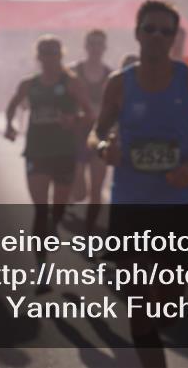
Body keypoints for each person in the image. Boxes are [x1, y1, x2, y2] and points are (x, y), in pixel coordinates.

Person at [93, 0, 188, 368]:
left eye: (165, 31)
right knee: (139, 306)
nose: (157, 36)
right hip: (130, 204)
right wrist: (104, 146)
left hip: (175, 203)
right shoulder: (118, 84)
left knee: (168, 305)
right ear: (137, 33)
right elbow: (96, 133)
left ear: (174, 38)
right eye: (150, 28)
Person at [4, 36, 94, 244]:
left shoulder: (71, 83)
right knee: (40, 208)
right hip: (36, 151)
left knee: (59, 207)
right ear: (39, 57)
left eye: (53, 54)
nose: (48, 59)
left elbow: (90, 114)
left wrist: (74, 119)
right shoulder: (29, 84)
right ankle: (41, 258)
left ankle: (54, 224)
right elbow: (12, 105)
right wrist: (9, 125)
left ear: (60, 56)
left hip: (64, 152)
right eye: (44, 54)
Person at [71, 29, 114, 233]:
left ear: (104, 48)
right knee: (80, 192)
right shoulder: (74, 72)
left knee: (97, 187)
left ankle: (90, 229)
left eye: (100, 43)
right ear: (86, 46)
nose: (96, 48)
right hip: (77, 137)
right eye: (92, 43)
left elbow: (114, 107)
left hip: (100, 136)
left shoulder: (111, 76)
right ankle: (66, 201)